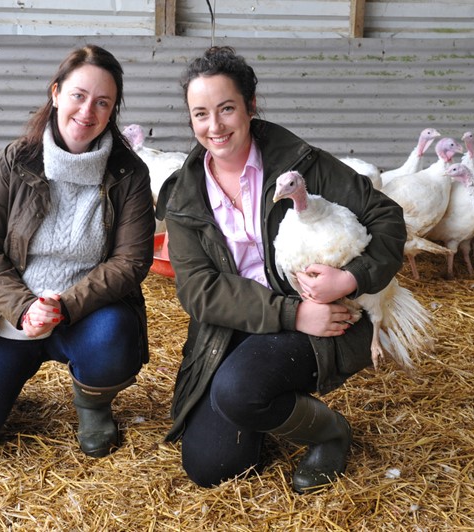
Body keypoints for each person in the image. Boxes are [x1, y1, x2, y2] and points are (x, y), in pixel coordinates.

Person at [155, 47, 407, 493]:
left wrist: (350, 279)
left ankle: (329, 432)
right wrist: (291, 314)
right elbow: (198, 291)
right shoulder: (184, 195)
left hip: (321, 316)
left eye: (227, 109)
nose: (214, 127)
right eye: (200, 114)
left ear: (251, 106)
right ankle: (258, 399)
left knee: (238, 392)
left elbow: (386, 218)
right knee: (213, 467)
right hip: (239, 325)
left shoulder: (301, 165)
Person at [0, 44, 155, 458]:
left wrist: (64, 306)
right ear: (55, 93)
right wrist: (23, 307)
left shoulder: (129, 173)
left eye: (103, 102)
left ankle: (93, 404)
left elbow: (131, 261)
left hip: (87, 311)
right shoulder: (17, 160)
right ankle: (4, 374)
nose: (88, 111)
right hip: (14, 309)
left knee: (113, 334)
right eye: (79, 95)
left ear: (112, 111)